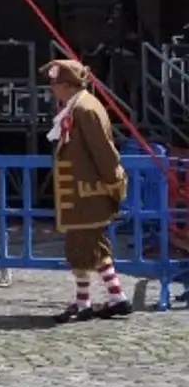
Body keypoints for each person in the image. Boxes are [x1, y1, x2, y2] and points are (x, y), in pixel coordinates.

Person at [42, 60, 131, 324]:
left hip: (87, 194)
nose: (52, 89)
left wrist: (114, 184)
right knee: (95, 246)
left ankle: (83, 303)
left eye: (55, 84)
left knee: (80, 247)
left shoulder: (85, 110)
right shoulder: (77, 107)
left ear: (67, 85)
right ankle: (118, 298)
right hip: (82, 194)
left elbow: (104, 152)